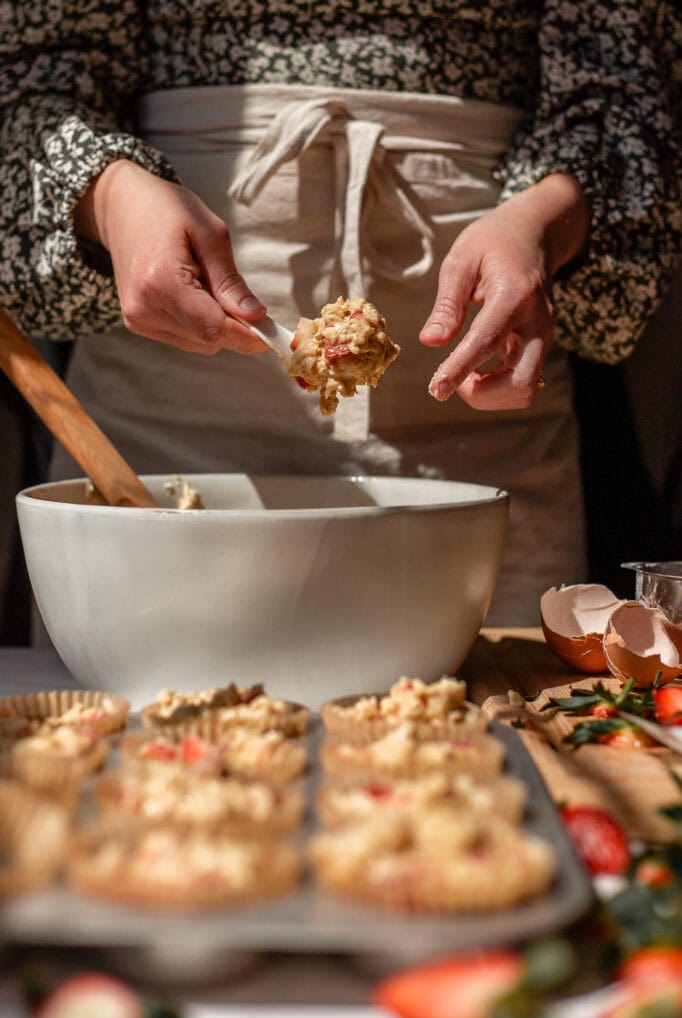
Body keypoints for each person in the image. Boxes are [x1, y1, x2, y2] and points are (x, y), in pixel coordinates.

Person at [0, 1, 679, 626]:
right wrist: (110, 195)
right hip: (159, 436)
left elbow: (624, 87)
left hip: (480, 461)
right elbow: (34, 73)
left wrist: (549, 219)